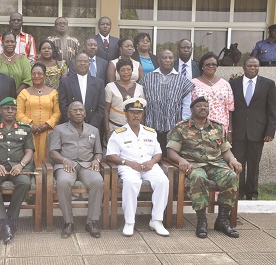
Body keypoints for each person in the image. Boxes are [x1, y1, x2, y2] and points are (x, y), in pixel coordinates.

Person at [167, 96, 242, 239]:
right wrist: (180, 159)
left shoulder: (217, 127)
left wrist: (232, 159)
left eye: (205, 106)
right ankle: (202, 221)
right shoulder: (181, 128)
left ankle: (222, 220)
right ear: (191, 109)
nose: (203, 108)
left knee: (231, 177)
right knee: (198, 177)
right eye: (199, 106)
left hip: (216, 164)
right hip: (194, 164)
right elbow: (171, 152)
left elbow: (225, 150)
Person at [106, 98, 169, 237]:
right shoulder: (118, 133)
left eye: (139, 113)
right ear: (126, 114)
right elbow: (110, 155)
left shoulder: (150, 132)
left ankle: (156, 220)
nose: (136, 116)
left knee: (163, 181)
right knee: (131, 182)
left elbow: (158, 153)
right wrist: (128, 163)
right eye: (132, 112)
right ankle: (129, 222)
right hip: (128, 166)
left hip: (148, 165)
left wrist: (152, 162)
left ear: (142, 114)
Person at [0, 97, 34, 244]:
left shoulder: (25, 129)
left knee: (24, 183)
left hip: (18, 168)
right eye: (6, 108)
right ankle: (6, 223)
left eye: (13, 109)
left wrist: (21, 165)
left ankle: (6, 221)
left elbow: (29, 151)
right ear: (0, 111)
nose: (10, 111)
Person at [48, 101, 104, 239]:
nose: (78, 112)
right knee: (63, 182)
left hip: (87, 165)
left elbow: (98, 152)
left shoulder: (94, 130)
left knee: (98, 181)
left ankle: (91, 222)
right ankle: (68, 222)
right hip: (66, 164)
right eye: (74, 110)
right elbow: (53, 152)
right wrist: (63, 160)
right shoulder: (59, 129)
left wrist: (96, 160)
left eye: (81, 110)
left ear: (85, 113)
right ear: (68, 114)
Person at [230, 57, 276, 200]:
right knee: (238, 163)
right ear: (244, 67)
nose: (253, 68)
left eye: (256, 66)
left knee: (254, 164)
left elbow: (272, 110)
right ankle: (238, 192)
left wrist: (270, 131)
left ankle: (252, 194)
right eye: (250, 65)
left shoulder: (268, 84)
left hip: (258, 131)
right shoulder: (233, 83)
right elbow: (230, 109)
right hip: (238, 131)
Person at [139, 49, 195, 155]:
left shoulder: (182, 80)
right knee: (152, 158)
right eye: (164, 58)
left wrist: (183, 124)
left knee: (172, 159)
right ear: (158, 60)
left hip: (173, 128)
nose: (167, 60)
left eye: (170, 58)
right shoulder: (147, 78)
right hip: (151, 128)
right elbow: (142, 103)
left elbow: (187, 104)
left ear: (174, 60)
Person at [16, 63, 61, 167]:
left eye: (40, 74)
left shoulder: (53, 93)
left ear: (45, 75)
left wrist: (47, 125)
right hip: (28, 132)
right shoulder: (23, 93)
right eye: (34, 74)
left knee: (47, 158)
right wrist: (30, 126)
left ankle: (47, 179)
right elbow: (18, 113)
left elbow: (58, 112)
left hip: (48, 132)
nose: (36, 76)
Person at [191, 52, 234, 141]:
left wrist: (229, 130)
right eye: (208, 64)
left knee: (220, 154)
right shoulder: (193, 83)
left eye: (214, 64)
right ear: (202, 66)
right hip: (199, 127)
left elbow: (230, 109)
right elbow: (188, 107)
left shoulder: (225, 84)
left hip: (221, 128)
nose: (211, 66)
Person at [58, 53, 105, 130]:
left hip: (93, 126)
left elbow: (101, 107)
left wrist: (91, 125)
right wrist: (73, 123)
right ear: (74, 64)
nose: (82, 63)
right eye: (79, 61)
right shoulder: (65, 82)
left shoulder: (99, 83)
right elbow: (63, 105)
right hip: (71, 127)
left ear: (89, 64)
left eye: (85, 61)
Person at [104, 59, 145, 142]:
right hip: (114, 127)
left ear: (132, 71)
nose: (126, 72)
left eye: (128, 70)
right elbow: (106, 110)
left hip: (134, 128)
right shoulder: (110, 87)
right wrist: (107, 129)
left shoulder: (139, 88)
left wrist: (142, 127)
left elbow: (142, 110)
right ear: (118, 72)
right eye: (122, 70)